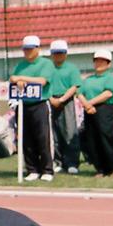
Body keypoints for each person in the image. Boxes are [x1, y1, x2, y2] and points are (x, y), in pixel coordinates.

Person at [11, 34, 56, 181]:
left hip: (40, 104)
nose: (27, 52)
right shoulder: (20, 65)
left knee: (43, 137)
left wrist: (22, 79)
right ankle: (32, 169)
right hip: (23, 105)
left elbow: (42, 81)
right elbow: (12, 78)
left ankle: (47, 170)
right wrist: (17, 80)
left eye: (30, 49)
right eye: (25, 49)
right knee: (26, 139)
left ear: (37, 49)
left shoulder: (46, 64)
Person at [78, 50, 113, 178]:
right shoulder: (88, 79)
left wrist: (89, 103)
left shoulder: (111, 78)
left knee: (107, 139)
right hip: (89, 110)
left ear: (108, 64)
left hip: (104, 110)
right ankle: (101, 168)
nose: (99, 63)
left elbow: (108, 93)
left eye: (102, 61)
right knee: (92, 139)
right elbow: (80, 93)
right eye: (97, 60)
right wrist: (86, 105)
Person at [48, 39, 81, 174]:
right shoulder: (48, 68)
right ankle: (58, 161)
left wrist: (61, 99)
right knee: (54, 133)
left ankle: (72, 162)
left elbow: (74, 87)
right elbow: (45, 85)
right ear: (51, 54)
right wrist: (51, 98)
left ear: (66, 53)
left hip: (66, 100)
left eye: (61, 53)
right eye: (55, 53)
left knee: (69, 131)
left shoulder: (72, 68)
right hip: (50, 99)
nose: (58, 55)